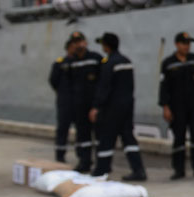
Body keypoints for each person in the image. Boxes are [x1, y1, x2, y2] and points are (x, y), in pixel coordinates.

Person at [88, 32, 146, 181]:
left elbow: (104, 87)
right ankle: (138, 170)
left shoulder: (109, 63)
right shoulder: (127, 61)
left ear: (106, 46)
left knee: (106, 138)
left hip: (112, 108)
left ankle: (101, 169)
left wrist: (96, 106)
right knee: (128, 138)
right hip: (127, 105)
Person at [159, 31, 194, 179]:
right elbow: (163, 87)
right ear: (177, 44)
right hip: (177, 106)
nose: (187, 46)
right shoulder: (168, 63)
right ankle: (179, 170)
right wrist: (165, 107)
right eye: (184, 43)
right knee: (179, 138)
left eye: (188, 44)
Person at [67, 31, 101, 173]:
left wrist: (97, 105)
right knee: (83, 136)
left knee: (99, 136)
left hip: (94, 105)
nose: (78, 44)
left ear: (85, 43)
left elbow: (103, 83)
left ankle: (101, 164)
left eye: (80, 41)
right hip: (78, 106)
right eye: (75, 42)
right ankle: (85, 162)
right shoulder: (71, 62)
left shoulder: (95, 59)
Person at [48, 39, 76, 162]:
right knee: (62, 129)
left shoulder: (81, 62)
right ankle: (60, 155)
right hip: (65, 101)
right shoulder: (60, 63)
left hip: (79, 102)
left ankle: (83, 157)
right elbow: (53, 81)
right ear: (68, 48)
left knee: (83, 130)